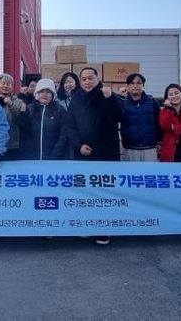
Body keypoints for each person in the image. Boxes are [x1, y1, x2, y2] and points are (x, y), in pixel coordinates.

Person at [66, 67, 121, 246]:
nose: (87, 82)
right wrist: (79, 145)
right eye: (84, 79)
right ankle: (86, 225)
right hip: (83, 154)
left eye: (91, 78)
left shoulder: (107, 95)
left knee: (105, 193)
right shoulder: (76, 99)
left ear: (98, 79)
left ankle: (104, 229)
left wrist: (111, 98)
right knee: (85, 192)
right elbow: (70, 126)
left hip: (106, 154)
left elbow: (120, 116)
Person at [20, 78, 69, 160]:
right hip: (32, 157)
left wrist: (56, 154)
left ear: (53, 94)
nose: (44, 94)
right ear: (37, 94)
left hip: (54, 157)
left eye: (48, 92)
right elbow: (24, 132)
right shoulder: (30, 109)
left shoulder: (60, 110)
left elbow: (64, 135)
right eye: (41, 91)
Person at [119, 73, 162, 162]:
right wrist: (119, 97)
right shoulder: (122, 103)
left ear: (143, 86)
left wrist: (160, 142)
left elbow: (159, 123)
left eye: (138, 83)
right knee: (131, 171)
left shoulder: (152, 102)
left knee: (150, 171)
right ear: (128, 86)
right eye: (132, 83)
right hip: (130, 149)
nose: (135, 86)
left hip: (150, 148)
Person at [0, 73, 26, 160]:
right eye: (3, 83)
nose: (5, 86)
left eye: (8, 84)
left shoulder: (20, 102)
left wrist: (11, 105)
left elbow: (21, 121)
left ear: (12, 87)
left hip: (12, 144)